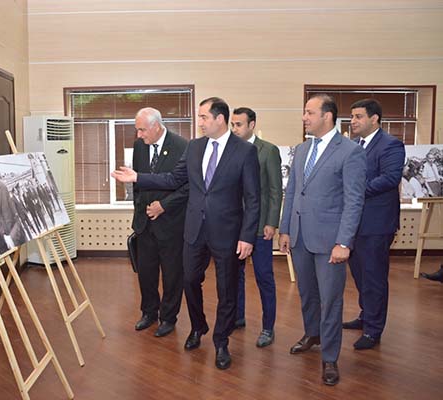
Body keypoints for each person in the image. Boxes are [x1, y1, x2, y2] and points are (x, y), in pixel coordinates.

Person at [112, 97, 260, 370]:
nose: (200, 122)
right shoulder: (194, 147)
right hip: (194, 230)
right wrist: (137, 178)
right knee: (189, 280)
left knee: (227, 289)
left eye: (204, 117)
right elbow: (173, 179)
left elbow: (253, 199)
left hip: (227, 233)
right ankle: (198, 326)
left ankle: (221, 341)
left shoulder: (244, 151)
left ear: (219, 119)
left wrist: (247, 236)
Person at [279, 94, 366, 386]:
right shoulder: (303, 149)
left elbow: (354, 201)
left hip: (331, 242)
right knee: (307, 294)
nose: (304, 117)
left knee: (330, 300)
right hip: (300, 236)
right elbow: (292, 192)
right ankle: (312, 334)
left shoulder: (350, 151)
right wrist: (285, 229)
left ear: (327, 116)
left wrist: (344, 242)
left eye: (309, 112)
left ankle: (330, 357)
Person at [343, 99, 405, 350]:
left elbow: (390, 178)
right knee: (360, 274)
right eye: (352, 116)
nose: (353, 121)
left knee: (374, 277)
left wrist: (355, 191)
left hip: (377, 224)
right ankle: (366, 315)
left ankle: (373, 330)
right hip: (355, 223)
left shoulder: (391, 145)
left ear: (374, 118)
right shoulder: (354, 145)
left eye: (358, 116)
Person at [130, 107, 188, 338]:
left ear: (156, 126)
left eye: (142, 130)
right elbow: (138, 181)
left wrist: (164, 205)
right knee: (146, 273)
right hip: (145, 224)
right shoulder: (139, 146)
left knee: (172, 275)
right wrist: (140, 208)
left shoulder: (182, 146)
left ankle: (168, 317)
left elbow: (187, 186)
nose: (139, 135)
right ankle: (149, 313)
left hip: (171, 223)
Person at [230, 107, 282, 347]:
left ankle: (268, 328)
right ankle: (237, 317)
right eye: (232, 124)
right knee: (235, 275)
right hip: (235, 226)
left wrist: (272, 222)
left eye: (239, 124)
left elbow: (274, 190)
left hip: (261, 226)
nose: (234, 129)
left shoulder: (268, 150)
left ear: (252, 125)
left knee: (264, 277)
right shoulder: (230, 150)